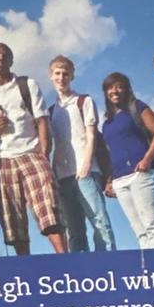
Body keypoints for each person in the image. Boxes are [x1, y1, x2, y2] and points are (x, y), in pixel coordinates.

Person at [0, 43, 65, 256]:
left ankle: (65, 259)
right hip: (1, 159)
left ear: (11, 61)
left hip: (31, 153)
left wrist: (44, 153)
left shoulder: (26, 84)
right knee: (13, 219)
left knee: (49, 206)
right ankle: (26, 270)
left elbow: (41, 121)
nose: (0, 57)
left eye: (5, 54)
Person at [48, 55, 115, 252]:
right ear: (51, 76)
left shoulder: (84, 101)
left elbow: (91, 135)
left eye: (66, 73)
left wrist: (86, 166)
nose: (62, 77)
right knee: (75, 231)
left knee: (100, 222)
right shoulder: (51, 111)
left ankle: (108, 266)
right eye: (58, 73)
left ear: (72, 76)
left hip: (86, 172)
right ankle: (81, 273)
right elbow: (54, 145)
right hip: (63, 177)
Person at [100, 71, 154, 249]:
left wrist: (147, 159)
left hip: (142, 175)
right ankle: (151, 272)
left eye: (119, 86)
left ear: (127, 89)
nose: (115, 91)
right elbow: (109, 154)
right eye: (110, 87)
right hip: (119, 181)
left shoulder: (137, 107)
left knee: (152, 226)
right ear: (105, 92)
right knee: (139, 232)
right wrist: (109, 181)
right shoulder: (107, 123)